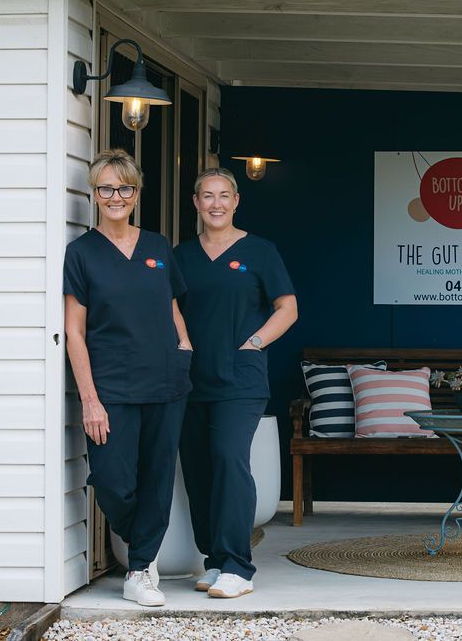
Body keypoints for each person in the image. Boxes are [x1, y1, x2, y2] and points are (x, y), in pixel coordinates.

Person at [63, 149, 193, 607]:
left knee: (158, 477)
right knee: (114, 480)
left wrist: (185, 347)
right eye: (105, 188)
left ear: (136, 193)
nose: (115, 196)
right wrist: (90, 400)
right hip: (111, 385)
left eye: (124, 187)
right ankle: (143, 544)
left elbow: (172, 306)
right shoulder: (81, 253)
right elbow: (74, 333)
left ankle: (140, 570)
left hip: (164, 380)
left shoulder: (157, 247)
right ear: (94, 194)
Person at [173, 167, 298, 599]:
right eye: (207, 196)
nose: (216, 204)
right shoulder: (182, 255)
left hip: (240, 380)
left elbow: (288, 308)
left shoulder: (260, 252)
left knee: (229, 459)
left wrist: (256, 341)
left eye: (224, 195)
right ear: (196, 202)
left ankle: (238, 566)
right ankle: (213, 560)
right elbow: (168, 306)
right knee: (198, 469)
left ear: (236, 200)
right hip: (189, 381)